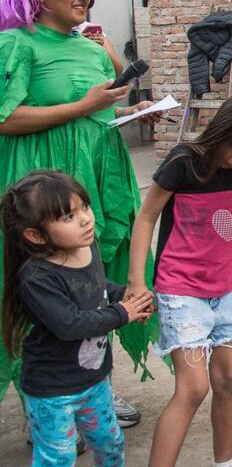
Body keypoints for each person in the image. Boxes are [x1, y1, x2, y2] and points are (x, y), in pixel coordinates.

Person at [0, 0, 160, 419]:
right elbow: (5, 117)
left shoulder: (88, 46)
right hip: (45, 186)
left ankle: (92, 385)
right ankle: (43, 402)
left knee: (92, 279)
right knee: (47, 284)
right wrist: (82, 108)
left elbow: (97, 109)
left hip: (97, 178)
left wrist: (128, 109)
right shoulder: (17, 43)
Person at [126, 89, 232, 467]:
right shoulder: (185, 162)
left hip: (227, 287)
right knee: (193, 387)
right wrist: (138, 281)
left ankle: (224, 463)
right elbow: (147, 215)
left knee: (230, 378)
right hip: (181, 288)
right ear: (225, 132)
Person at [0, 171, 155, 466]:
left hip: (94, 382)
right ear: (35, 235)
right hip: (52, 391)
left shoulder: (86, 248)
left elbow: (98, 289)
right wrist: (124, 313)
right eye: (69, 217)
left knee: (111, 445)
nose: (86, 218)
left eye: (84, 207)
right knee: (57, 458)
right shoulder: (37, 277)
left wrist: (127, 296)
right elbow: (71, 324)